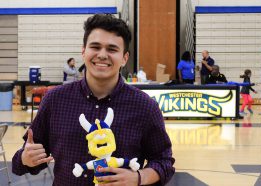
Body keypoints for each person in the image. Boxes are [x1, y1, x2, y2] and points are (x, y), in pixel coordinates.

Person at [12, 14, 175, 186]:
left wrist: (139, 177)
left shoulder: (145, 106)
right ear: (84, 51)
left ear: (124, 58)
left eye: (112, 49)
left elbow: (164, 162)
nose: (102, 55)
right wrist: (25, 158)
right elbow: (20, 163)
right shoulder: (54, 100)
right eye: (95, 47)